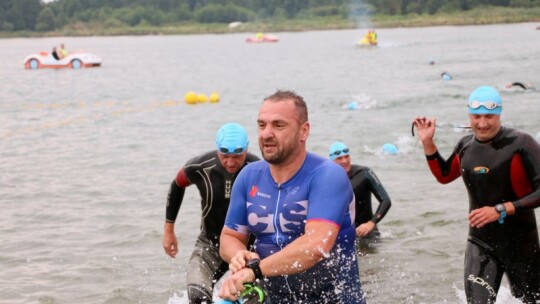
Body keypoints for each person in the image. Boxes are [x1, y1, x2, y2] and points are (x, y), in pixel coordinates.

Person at [218, 90, 366, 304]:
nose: (266, 134)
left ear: (303, 131)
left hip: (335, 299)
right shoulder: (249, 176)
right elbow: (229, 238)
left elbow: (316, 246)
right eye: (262, 125)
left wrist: (255, 270)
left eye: (278, 125)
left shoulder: (328, 176)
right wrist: (239, 255)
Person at [413, 85, 540, 303]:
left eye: (489, 116)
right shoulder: (465, 145)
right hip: (480, 243)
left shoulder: (521, 143)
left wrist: (500, 209)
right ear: (469, 115)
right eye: (476, 116)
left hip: (521, 243)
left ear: (499, 113)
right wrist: (427, 142)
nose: (482, 123)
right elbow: (444, 175)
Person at [163, 123, 260, 304]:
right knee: (198, 297)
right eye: (225, 156)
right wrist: (169, 229)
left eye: (237, 156)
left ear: (247, 149)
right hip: (210, 245)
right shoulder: (200, 167)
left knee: (254, 299)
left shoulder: (260, 169)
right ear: (217, 150)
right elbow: (177, 185)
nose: (230, 162)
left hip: (248, 251)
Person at [328, 141, 392, 249]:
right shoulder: (327, 180)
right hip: (343, 235)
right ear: (332, 161)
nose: (344, 161)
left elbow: (385, 200)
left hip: (367, 234)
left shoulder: (364, 173)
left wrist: (371, 223)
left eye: (347, 156)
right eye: (339, 158)